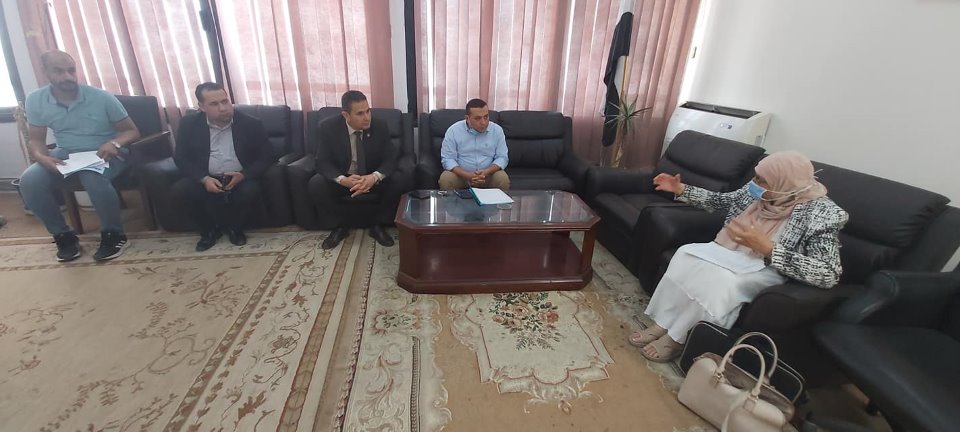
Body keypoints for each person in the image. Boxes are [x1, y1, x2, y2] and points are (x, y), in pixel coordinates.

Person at [629, 151, 848, 362]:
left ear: (784, 183)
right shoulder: (759, 190)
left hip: (765, 266)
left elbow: (828, 273)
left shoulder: (824, 213)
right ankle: (663, 322)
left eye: (762, 180)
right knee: (685, 256)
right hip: (731, 251)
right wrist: (681, 188)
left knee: (720, 281)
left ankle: (678, 337)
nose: (754, 182)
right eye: (756, 176)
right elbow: (722, 201)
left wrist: (769, 249)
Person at [19, 50, 141, 262]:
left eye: (71, 70)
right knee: (29, 180)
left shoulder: (101, 97)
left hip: (106, 151)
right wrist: (42, 157)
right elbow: (36, 140)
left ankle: (114, 235)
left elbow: (132, 131)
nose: (67, 76)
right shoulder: (36, 100)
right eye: (59, 71)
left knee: (91, 175)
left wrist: (114, 143)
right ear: (45, 72)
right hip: (67, 152)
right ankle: (63, 236)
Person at [173, 82, 274, 251]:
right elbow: (181, 158)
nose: (223, 108)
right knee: (181, 190)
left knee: (250, 190)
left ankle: (235, 229)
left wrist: (244, 175)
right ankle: (208, 231)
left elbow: (267, 156)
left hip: (240, 176)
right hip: (206, 176)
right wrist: (204, 179)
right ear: (202, 107)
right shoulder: (189, 124)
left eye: (225, 101)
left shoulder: (250, 124)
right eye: (214, 104)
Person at [310, 90, 403, 250]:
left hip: (371, 177)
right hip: (345, 178)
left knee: (399, 179)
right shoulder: (328, 127)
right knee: (316, 184)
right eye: (360, 113)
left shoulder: (380, 126)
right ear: (346, 115)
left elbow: (391, 158)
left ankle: (378, 225)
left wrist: (374, 177)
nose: (367, 117)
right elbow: (322, 161)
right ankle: (339, 227)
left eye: (368, 111)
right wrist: (342, 180)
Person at [438, 98, 510, 191]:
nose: (483, 122)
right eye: (478, 118)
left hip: (488, 176)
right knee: (446, 179)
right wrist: (468, 175)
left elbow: (502, 157)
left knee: (502, 178)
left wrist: (486, 172)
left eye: (486, 117)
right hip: (462, 176)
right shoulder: (453, 131)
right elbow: (448, 159)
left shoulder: (497, 130)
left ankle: (499, 202)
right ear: (467, 118)